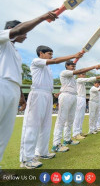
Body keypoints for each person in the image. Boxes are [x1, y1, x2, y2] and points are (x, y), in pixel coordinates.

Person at [0, 10, 57, 168]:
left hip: (12, 88)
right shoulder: (2, 38)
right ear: (11, 29)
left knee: (4, 133)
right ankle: (26, 158)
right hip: (1, 86)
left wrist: (21, 97)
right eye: (23, 32)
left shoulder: (15, 52)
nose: (25, 35)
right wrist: (42, 18)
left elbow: (15, 76)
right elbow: (18, 31)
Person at [19, 45, 83, 169]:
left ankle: (42, 152)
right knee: (32, 126)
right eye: (49, 53)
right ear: (41, 53)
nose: (51, 56)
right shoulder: (36, 61)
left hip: (47, 96)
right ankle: (26, 159)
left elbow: (53, 62)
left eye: (52, 54)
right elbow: (55, 61)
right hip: (37, 94)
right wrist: (74, 55)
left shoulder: (47, 69)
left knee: (46, 125)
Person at [52, 60, 100, 152]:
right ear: (66, 66)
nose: (73, 68)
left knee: (70, 119)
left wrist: (59, 92)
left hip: (73, 96)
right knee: (61, 120)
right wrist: (94, 66)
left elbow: (68, 87)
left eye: (74, 67)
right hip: (66, 96)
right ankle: (56, 144)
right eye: (72, 66)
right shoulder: (64, 72)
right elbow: (79, 72)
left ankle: (67, 139)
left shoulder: (73, 79)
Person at [73, 73, 100, 140]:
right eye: (82, 74)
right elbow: (89, 79)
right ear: (78, 75)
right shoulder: (79, 80)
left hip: (83, 98)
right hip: (79, 98)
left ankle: (79, 132)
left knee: (81, 116)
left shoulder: (82, 82)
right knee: (78, 116)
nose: (84, 75)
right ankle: (75, 133)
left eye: (84, 74)